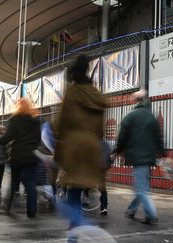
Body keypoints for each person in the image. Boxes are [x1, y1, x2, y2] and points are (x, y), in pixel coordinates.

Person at [54, 54, 108, 228]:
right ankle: (77, 228)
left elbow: (61, 123)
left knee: (73, 193)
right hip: (92, 147)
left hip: (74, 146)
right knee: (83, 188)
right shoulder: (96, 95)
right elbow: (101, 129)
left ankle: (74, 232)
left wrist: (58, 149)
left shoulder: (72, 92)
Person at [112, 89, 164, 225]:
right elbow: (158, 137)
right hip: (149, 158)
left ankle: (151, 215)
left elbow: (122, 137)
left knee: (142, 189)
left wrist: (117, 151)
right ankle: (131, 210)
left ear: (134, 101)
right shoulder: (151, 116)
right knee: (142, 187)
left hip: (137, 158)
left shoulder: (130, 116)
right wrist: (162, 154)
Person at [0, 98, 41, 218]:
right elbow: (38, 139)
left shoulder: (15, 120)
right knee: (30, 184)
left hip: (18, 155)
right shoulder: (36, 121)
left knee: (14, 182)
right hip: (32, 155)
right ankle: (31, 212)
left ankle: (7, 207)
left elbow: (8, 136)